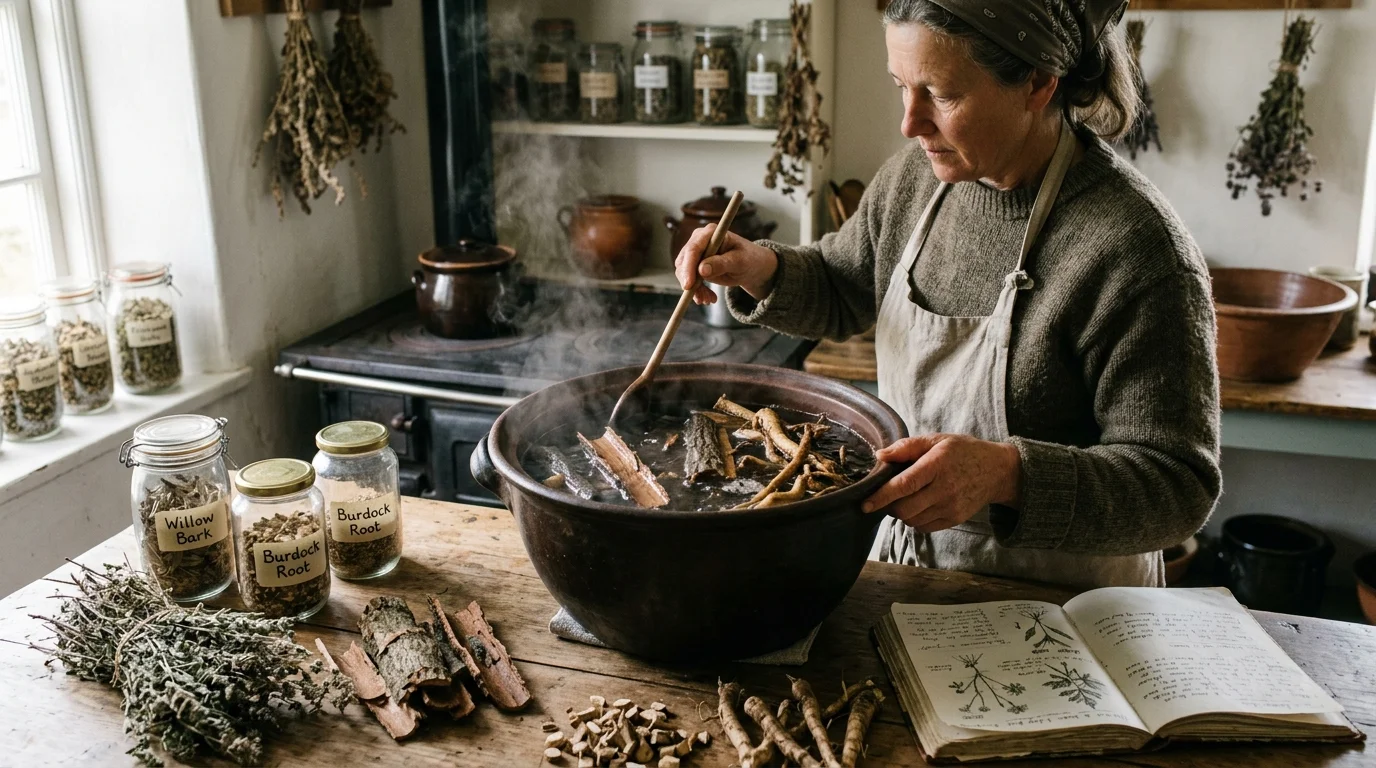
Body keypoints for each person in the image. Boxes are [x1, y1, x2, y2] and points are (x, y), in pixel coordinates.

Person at [674, 0, 1221, 589]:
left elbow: (1177, 485)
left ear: (1037, 83)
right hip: (908, 576)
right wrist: (759, 267)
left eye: (941, 94)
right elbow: (843, 284)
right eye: (901, 86)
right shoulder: (914, 180)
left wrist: (1008, 475)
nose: (910, 123)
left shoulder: (1135, 247)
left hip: (1067, 617)